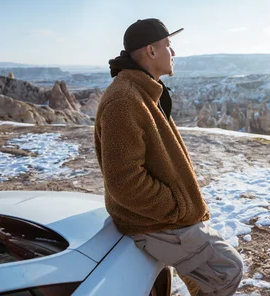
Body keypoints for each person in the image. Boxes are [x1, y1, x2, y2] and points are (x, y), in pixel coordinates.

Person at [95, 19, 243, 296]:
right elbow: (124, 181)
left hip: (160, 217)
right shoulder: (125, 100)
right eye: (168, 46)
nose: (173, 53)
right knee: (228, 270)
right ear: (151, 51)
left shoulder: (142, 90)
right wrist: (179, 207)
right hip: (154, 221)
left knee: (204, 279)